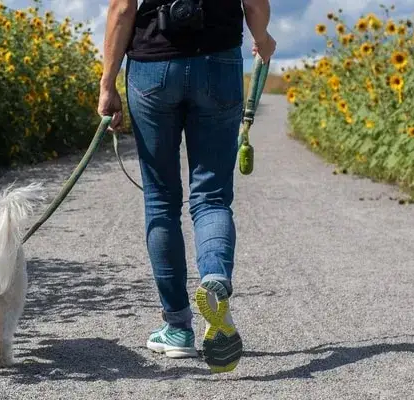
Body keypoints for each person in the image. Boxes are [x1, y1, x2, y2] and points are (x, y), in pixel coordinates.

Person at [97, 0, 276, 373]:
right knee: (211, 197)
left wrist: (108, 82)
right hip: (219, 62)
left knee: (161, 200)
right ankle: (214, 277)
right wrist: (263, 38)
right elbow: (255, 3)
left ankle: (178, 327)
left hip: (151, 64)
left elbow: (122, 8)